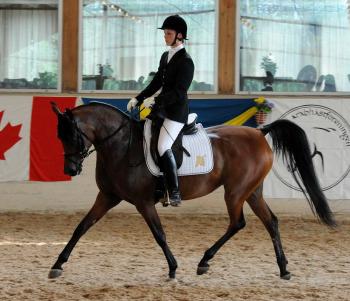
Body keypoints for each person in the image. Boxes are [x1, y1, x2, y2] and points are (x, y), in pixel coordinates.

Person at [127, 14, 194, 207]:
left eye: (169, 33)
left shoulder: (186, 61)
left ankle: (174, 191)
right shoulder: (166, 56)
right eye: (165, 33)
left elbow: (179, 93)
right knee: (145, 136)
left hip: (175, 113)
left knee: (163, 146)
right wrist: (138, 98)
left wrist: (155, 101)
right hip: (161, 109)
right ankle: (157, 186)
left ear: (179, 36)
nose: (165, 36)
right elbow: (156, 82)